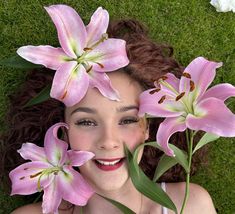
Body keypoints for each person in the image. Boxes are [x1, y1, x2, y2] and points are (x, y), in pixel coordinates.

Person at [0, 20, 217, 213]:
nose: (109, 141)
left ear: (148, 128)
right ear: (63, 135)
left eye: (128, 120)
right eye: (86, 122)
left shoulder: (191, 205)